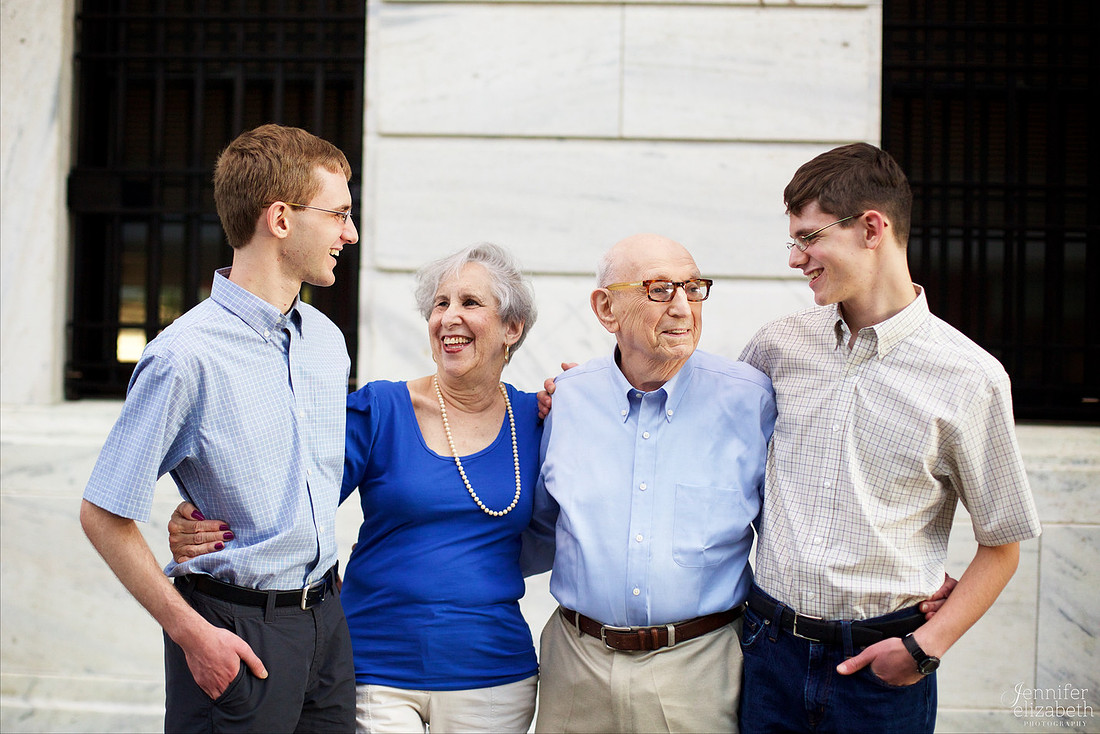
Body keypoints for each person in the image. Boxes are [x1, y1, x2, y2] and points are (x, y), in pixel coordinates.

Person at [168, 243, 543, 733]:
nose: (449, 317)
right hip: (374, 669)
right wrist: (203, 513)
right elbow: (290, 494)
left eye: (470, 303)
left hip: (494, 675)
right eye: (440, 304)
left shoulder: (539, 421)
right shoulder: (381, 408)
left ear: (511, 328)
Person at [737, 142, 1042, 733]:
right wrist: (597, 387)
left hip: (879, 674)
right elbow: (700, 436)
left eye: (809, 237)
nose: (796, 259)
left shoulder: (970, 377)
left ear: (871, 228)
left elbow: (1003, 544)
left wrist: (924, 648)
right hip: (766, 653)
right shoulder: (777, 348)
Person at [79, 123, 360, 732]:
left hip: (327, 626)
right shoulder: (184, 357)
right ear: (280, 218)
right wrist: (191, 634)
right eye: (338, 213)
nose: (350, 233)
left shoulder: (327, 345)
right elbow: (103, 513)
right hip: (234, 634)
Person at [520, 233, 777, 733]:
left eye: (693, 288)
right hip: (576, 665)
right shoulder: (567, 401)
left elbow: (786, 536)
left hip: (701, 669)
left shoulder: (751, 401)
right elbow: (536, 530)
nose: (683, 308)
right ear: (606, 308)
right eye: (660, 289)